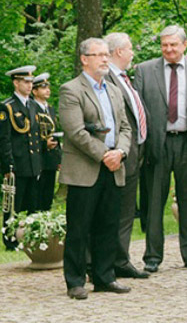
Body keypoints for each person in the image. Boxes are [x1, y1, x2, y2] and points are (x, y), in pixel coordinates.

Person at [134, 26, 187, 272]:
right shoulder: (144, 70)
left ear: (185, 45)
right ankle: (152, 257)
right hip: (157, 144)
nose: (169, 49)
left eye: (173, 45)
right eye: (164, 45)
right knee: (154, 202)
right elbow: (138, 111)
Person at [59, 38, 133, 300]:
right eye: (98, 55)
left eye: (106, 54)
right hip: (85, 168)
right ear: (84, 59)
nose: (105, 59)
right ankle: (75, 281)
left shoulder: (113, 90)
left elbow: (126, 127)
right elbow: (76, 132)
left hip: (114, 166)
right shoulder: (71, 90)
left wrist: (121, 153)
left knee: (108, 225)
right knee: (79, 226)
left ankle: (104, 277)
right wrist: (105, 155)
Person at [103, 32, 150, 279]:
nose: (133, 53)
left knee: (126, 211)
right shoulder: (107, 79)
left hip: (134, 153)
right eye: (130, 48)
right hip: (117, 153)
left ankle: (121, 259)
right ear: (119, 51)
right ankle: (103, 263)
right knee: (111, 209)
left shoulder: (124, 78)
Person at [1, 65, 43, 223]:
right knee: (14, 205)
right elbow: (4, 139)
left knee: (33, 205)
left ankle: (28, 238)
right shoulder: (8, 106)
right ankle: (10, 239)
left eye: (31, 81)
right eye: (25, 81)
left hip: (32, 163)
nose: (30, 85)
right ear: (16, 83)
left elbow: (35, 134)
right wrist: (8, 165)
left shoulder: (32, 105)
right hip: (18, 163)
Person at [30, 73, 60, 211]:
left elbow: (55, 132)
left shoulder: (50, 109)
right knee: (37, 195)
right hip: (38, 157)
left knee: (48, 195)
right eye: (43, 87)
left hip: (50, 159)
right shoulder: (32, 108)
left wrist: (58, 157)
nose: (47, 90)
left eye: (48, 87)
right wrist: (43, 145)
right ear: (34, 91)